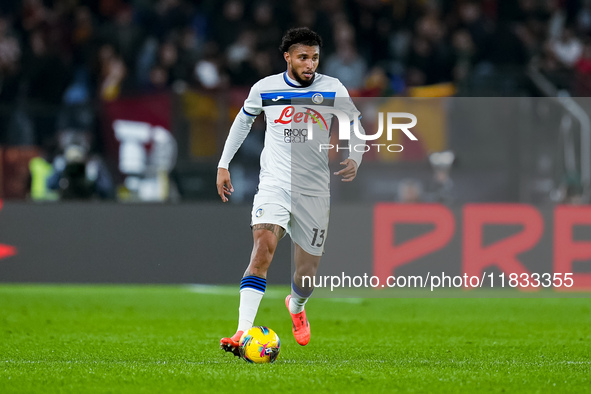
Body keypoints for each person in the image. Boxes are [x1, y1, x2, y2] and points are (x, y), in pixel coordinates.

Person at [216, 27, 365, 356]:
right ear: (287, 57)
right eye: (302, 57)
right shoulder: (265, 89)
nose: (310, 63)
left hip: (313, 191)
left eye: (314, 57)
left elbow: (355, 123)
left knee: (306, 275)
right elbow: (242, 123)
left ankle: (296, 307)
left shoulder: (333, 88)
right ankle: (241, 332)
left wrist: (355, 155)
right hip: (274, 184)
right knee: (262, 251)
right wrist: (223, 164)